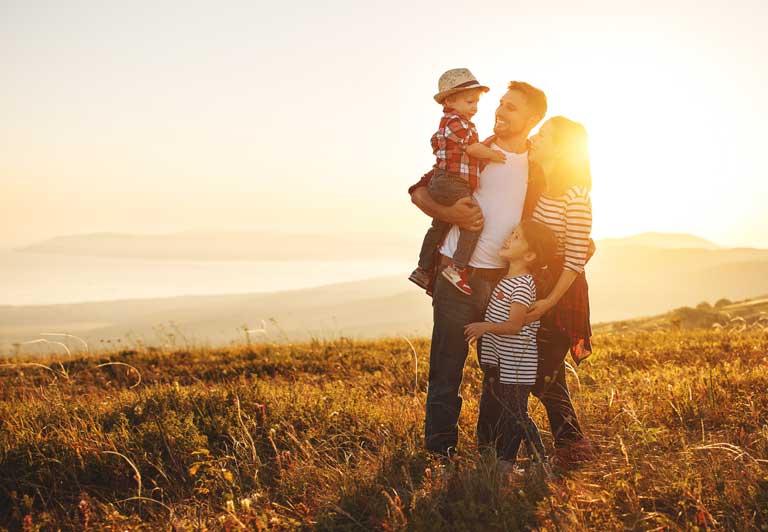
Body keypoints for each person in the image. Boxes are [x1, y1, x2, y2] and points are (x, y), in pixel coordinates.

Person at [409, 81, 550, 458]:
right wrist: (448, 212)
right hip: (459, 274)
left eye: (512, 108)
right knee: (446, 369)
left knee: (498, 373)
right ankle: (440, 455)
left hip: (505, 283)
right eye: (500, 104)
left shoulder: (539, 168)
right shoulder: (475, 151)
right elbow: (419, 191)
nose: (500, 111)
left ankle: (489, 453)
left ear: (533, 119)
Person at [476, 116, 595, 469]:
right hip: (533, 284)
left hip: (560, 292)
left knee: (539, 371)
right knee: (541, 371)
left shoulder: (577, 196)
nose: (536, 138)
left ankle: (549, 449)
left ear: (561, 148)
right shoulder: (541, 185)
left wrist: (547, 302)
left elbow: (575, 260)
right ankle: (568, 445)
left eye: (544, 135)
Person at [463, 219, 558, 476]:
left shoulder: (522, 284)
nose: (507, 238)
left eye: (515, 237)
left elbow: (514, 326)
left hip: (517, 365)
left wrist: (485, 327)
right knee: (510, 414)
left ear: (529, 254)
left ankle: (538, 462)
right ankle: (506, 463)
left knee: (517, 415)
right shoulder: (508, 279)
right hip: (504, 364)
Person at [409, 68, 506, 296]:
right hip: (452, 182)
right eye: (470, 101)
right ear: (450, 100)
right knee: (473, 221)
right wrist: (493, 155)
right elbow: (472, 148)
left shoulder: (450, 122)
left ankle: (423, 269)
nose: (475, 108)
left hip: (444, 181)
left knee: (438, 225)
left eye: (476, 103)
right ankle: (458, 267)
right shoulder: (457, 123)